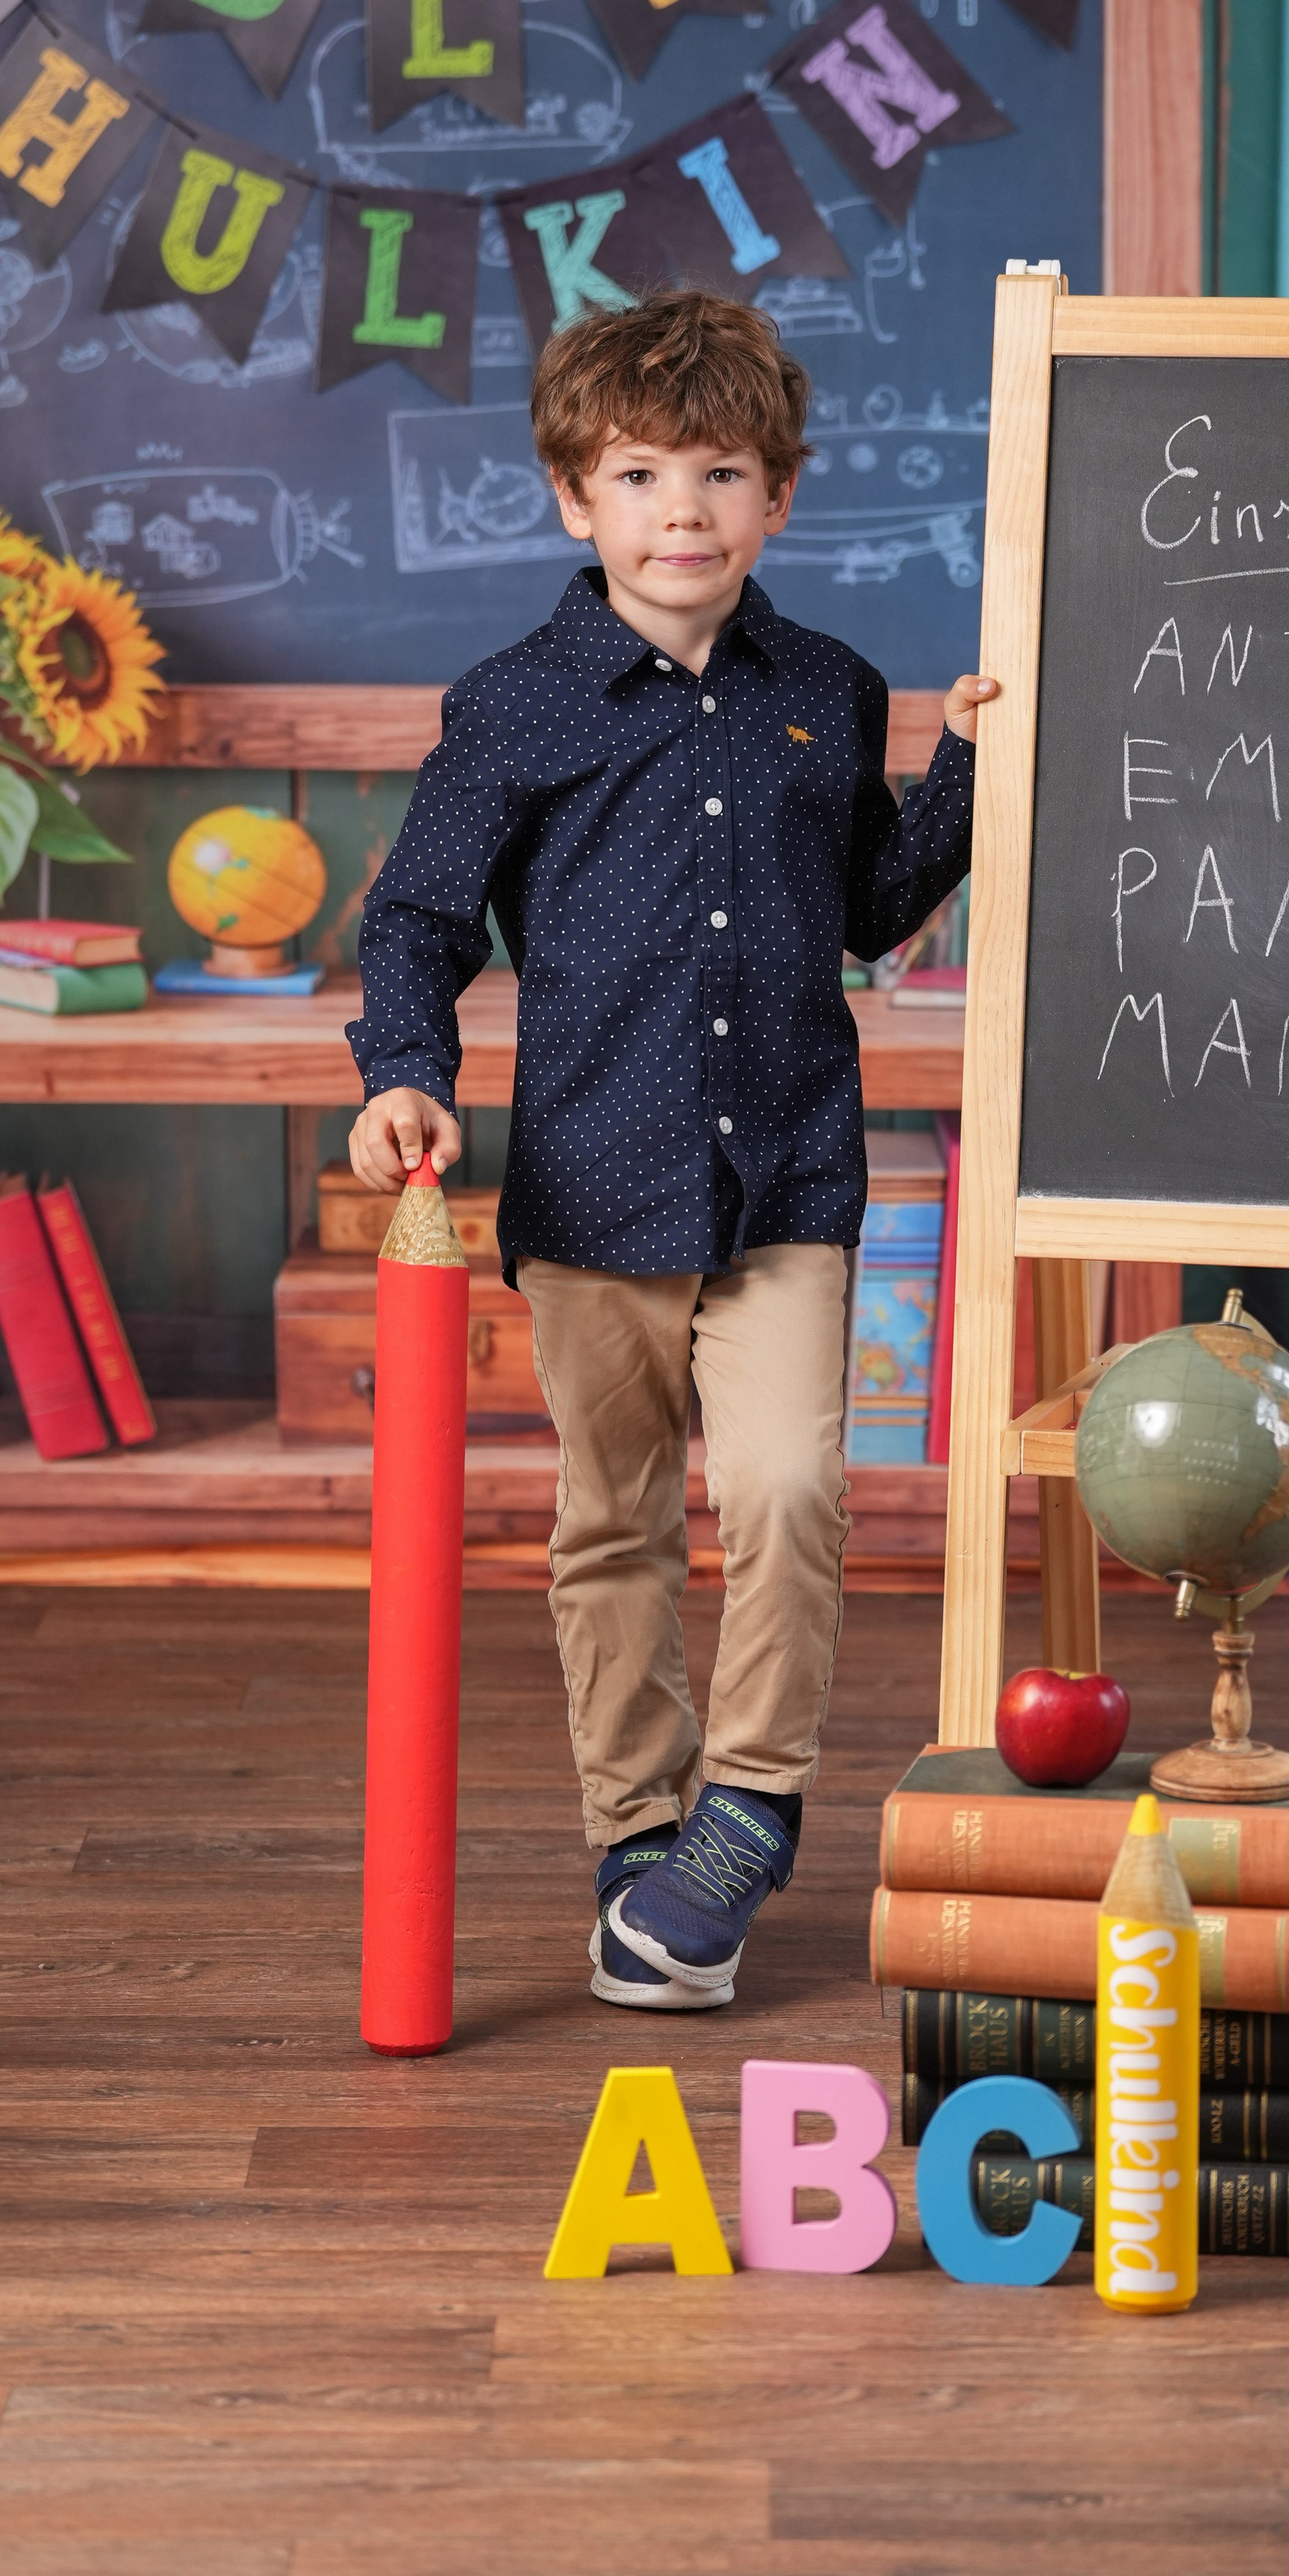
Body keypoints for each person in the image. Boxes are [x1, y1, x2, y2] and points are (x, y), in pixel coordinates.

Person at [345, 289, 995, 2010]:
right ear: (577, 500)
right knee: (612, 1524)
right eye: (640, 476)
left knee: (784, 1487)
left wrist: (967, 777)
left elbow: (864, 907)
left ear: (778, 496)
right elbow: (417, 918)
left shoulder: (831, 692)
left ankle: (753, 1809)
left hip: (784, 1172)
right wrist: (402, 1071)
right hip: (587, 1180)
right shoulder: (517, 706)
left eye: (719, 474)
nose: (682, 512)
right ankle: (640, 1837)